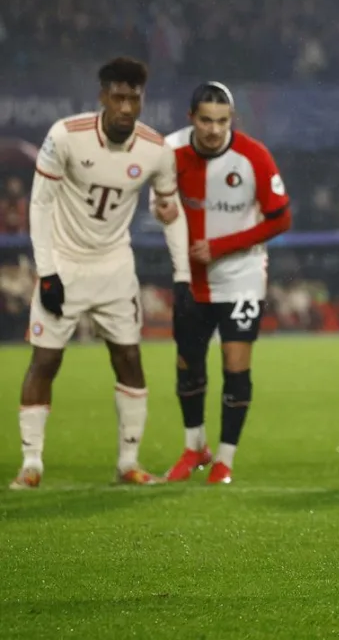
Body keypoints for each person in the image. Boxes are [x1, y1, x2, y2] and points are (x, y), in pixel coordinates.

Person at [11, 56, 188, 489]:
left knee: (128, 358)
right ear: (103, 96)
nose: (127, 108)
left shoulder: (156, 150)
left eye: (135, 98)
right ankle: (31, 464)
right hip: (65, 264)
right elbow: (41, 204)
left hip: (114, 268)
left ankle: (128, 463)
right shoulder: (65, 136)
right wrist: (47, 272)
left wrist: (182, 275)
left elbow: (170, 209)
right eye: (119, 97)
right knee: (45, 360)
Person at [158, 81, 292, 485]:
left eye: (222, 121)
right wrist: (163, 210)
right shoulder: (170, 151)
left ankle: (225, 460)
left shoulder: (253, 156)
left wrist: (220, 247)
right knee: (188, 364)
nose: (214, 129)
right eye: (205, 120)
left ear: (232, 119)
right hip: (190, 277)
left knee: (235, 364)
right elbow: (161, 201)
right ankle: (193, 446)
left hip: (241, 278)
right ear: (191, 119)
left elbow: (281, 218)